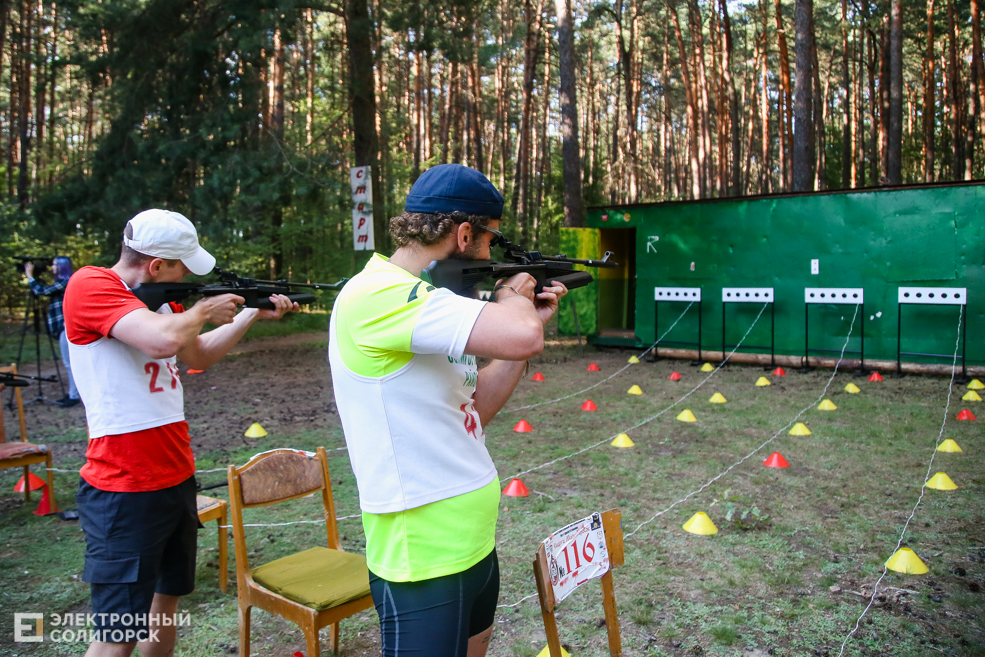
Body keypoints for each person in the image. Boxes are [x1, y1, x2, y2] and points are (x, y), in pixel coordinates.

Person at [328, 164, 567, 657]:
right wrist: (512, 299)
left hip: (473, 538)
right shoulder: (378, 294)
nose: (489, 254)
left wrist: (524, 327)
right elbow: (523, 334)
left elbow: (472, 408)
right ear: (463, 234)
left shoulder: (430, 302)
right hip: (423, 551)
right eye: (489, 241)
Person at [62, 209, 298, 657]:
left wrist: (248, 311)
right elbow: (162, 341)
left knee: (164, 603)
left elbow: (199, 354)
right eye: (182, 265)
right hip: (123, 486)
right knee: (118, 632)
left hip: (173, 478)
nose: (188, 274)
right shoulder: (91, 286)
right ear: (156, 267)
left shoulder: (163, 306)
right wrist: (203, 310)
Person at [24, 256, 81, 408]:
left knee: (70, 363)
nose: (53, 268)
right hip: (64, 327)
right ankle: (72, 393)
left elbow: (41, 290)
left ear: (63, 266)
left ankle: (74, 396)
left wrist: (30, 276)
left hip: (66, 327)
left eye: (56, 265)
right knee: (69, 363)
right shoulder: (62, 283)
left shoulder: (65, 282)